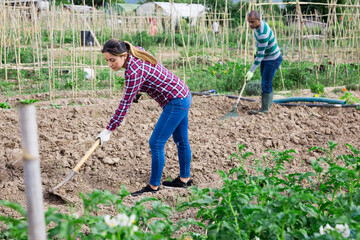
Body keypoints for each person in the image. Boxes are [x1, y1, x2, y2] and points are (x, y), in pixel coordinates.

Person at [96, 39, 193, 197]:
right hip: (182, 93)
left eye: (112, 60)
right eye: (107, 60)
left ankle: (153, 187)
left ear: (124, 55)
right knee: (181, 140)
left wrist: (109, 129)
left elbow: (125, 103)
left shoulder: (133, 72)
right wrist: (139, 91)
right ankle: (184, 180)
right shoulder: (137, 51)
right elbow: (149, 74)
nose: (109, 64)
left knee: (156, 143)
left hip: (176, 101)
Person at [246, 10, 282, 114]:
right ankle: (266, 105)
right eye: (249, 21)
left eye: (252, 22)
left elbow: (260, 55)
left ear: (258, 20)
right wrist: (256, 49)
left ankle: (265, 109)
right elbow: (260, 47)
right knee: (264, 81)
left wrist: (251, 71)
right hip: (267, 57)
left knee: (266, 82)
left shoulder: (263, 33)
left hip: (273, 59)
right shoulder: (257, 27)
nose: (250, 24)